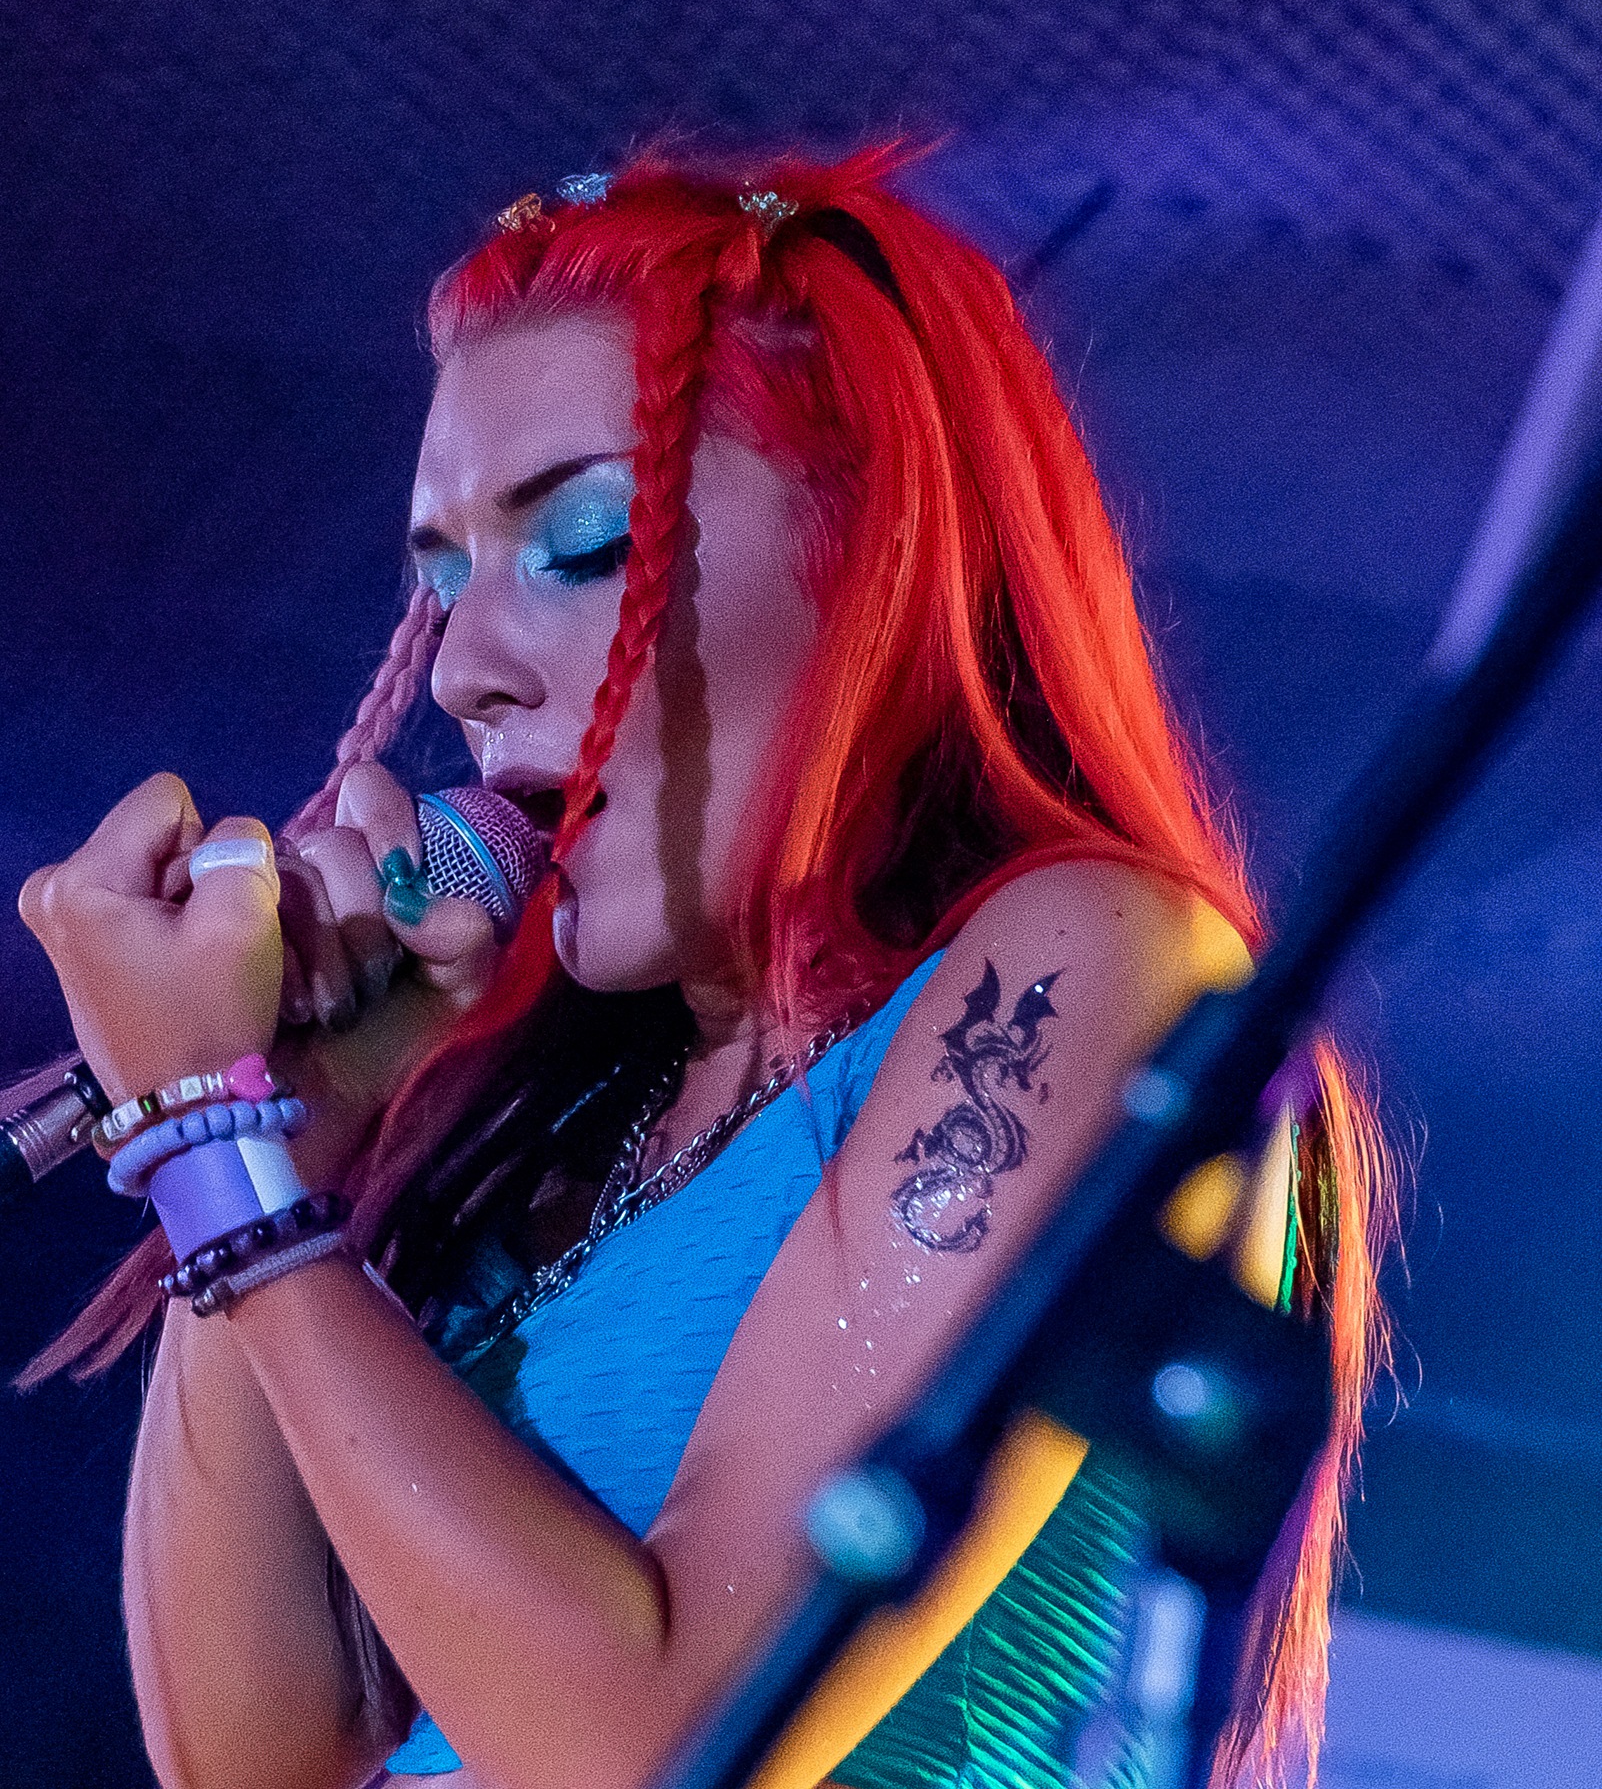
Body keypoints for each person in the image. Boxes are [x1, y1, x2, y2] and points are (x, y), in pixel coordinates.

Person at [16, 146, 1389, 1789]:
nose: (462, 670)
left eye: (583, 543)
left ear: (871, 556)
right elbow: (254, 1760)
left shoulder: (1090, 957)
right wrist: (278, 1125)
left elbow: (666, 1751)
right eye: (443, 585)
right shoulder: (579, 1124)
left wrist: (208, 1147)